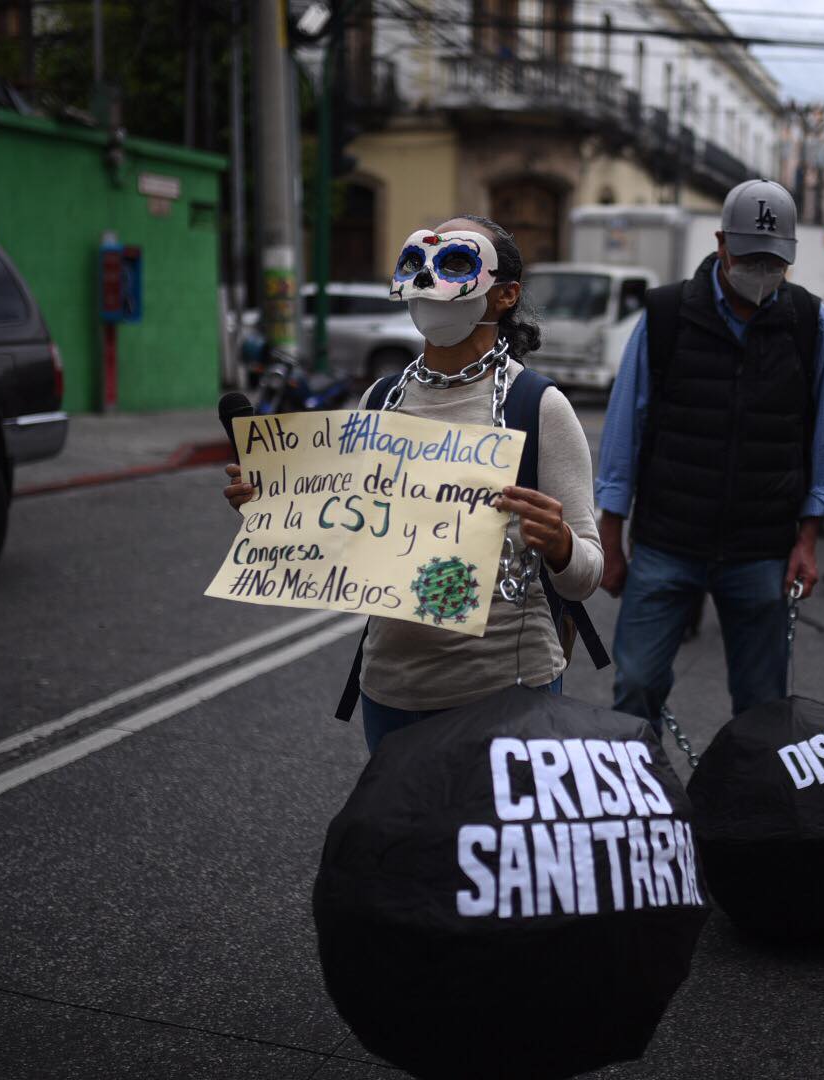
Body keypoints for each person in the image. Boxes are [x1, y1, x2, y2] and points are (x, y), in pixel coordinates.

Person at [221, 215, 603, 752]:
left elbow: (585, 577)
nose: (430, 281)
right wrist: (275, 514)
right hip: (391, 688)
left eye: (454, 263)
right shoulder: (379, 401)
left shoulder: (537, 407)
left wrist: (560, 544)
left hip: (505, 688)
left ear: (505, 294)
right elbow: (348, 539)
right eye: (418, 262)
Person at [596, 178, 824, 727]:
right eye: (751, 256)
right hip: (666, 544)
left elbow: (819, 439)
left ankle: (746, 809)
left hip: (762, 550)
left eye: (775, 260)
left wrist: (808, 540)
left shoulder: (809, 322)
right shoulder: (664, 316)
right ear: (721, 242)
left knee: (761, 703)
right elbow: (621, 439)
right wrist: (611, 540)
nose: (762, 271)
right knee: (635, 688)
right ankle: (644, 805)